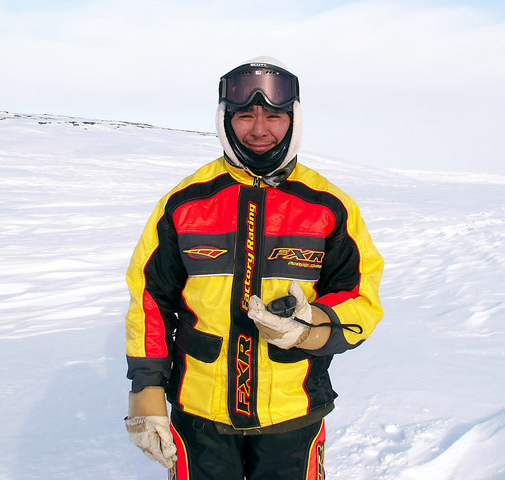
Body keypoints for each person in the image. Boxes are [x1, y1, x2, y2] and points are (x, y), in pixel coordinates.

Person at [124, 57, 384, 480]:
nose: (259, 129)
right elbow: (150, 300)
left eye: (275, 116)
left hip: (293, 414)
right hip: (199, 416)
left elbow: (361, 296)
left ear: (293, 120)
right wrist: (147, 390)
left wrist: (312, 326)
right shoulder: (186, 203)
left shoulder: (328, 207)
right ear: (225, 120)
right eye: (245, 115)